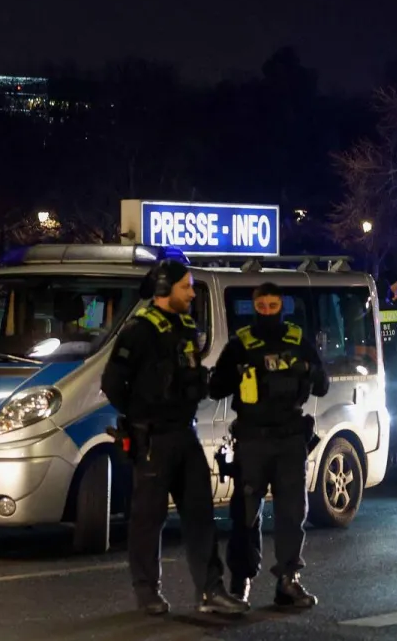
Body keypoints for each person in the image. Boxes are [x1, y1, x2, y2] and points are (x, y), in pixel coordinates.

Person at [100, 259, 246, 617]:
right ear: (165, 289)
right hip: (153, 439)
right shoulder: (138, 331)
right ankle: (147, 591)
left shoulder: (185, 327)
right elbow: (112, 383)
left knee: (200, 514)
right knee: (148, 519)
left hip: (185, 434)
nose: (192, 293)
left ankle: (211, 591)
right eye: (187, 287)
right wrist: (139, 417)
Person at [208, 282, 328, 608]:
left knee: (292, 513)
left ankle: (288, 581)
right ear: (254, 306)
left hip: (290, 439)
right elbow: (216, 388)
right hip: (252, 440)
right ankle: (240, 583)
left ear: (282, 306)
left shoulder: (296, 340)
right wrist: (236, 373)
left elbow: (322, 385)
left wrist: (307, 368)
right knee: (245, 514)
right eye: (262, 306)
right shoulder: (240, 345)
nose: (267, 311)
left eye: (273, 305)